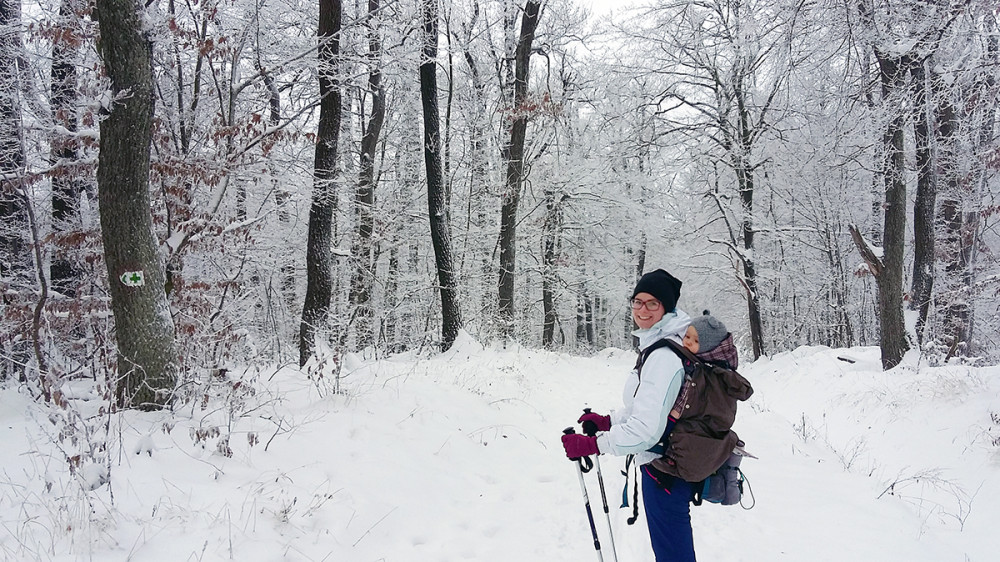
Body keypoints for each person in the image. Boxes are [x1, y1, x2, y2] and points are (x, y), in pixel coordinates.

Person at [561, 268, 697, 562]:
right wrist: (608, 422)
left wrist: (593, 444)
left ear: (667, 308)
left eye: (652, 303)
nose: (642, 310)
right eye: (638, 301)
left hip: (666, 472)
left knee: (673, 556)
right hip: (665, 466)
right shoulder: (658, 346)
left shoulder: (663, 356)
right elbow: (645, 407)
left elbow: (646, 430)